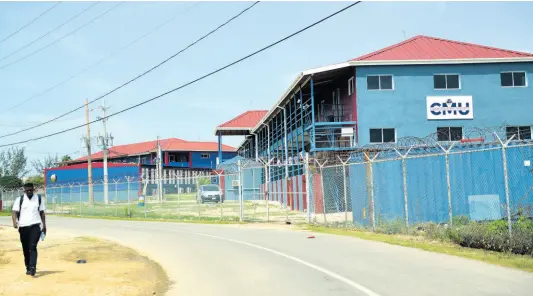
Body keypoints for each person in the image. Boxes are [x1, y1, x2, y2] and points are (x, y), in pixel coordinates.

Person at [11, 183, 47, 277]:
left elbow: (42, 213)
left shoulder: (38, 199)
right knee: (26, 249)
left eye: (31, 190)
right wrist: (14, 222)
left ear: (33, 189)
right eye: (27, 190)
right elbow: (14, 212)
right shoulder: (20, 199)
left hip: (35, 226)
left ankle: (33, 267)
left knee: (33, 246)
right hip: (23, 227)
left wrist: (44, 226)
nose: (29, 192)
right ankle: (28, 267)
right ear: (24, 191)